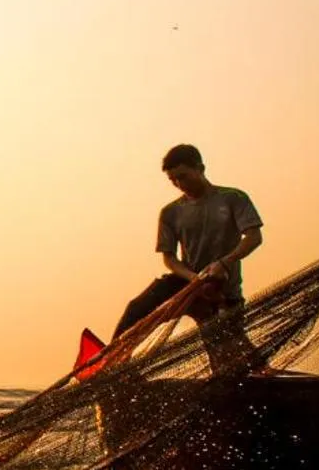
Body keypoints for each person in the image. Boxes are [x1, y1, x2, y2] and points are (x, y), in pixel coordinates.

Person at [112, 144, 264, 371]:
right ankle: (113, 364)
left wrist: (223, 263)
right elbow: (170, 259)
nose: (179, 184)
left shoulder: (232, 198)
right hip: (187, 282)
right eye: (173, 180)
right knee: (137, 308)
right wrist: (194, 279)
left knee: (227, 360)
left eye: (183, 177)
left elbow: (253, 237)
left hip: (221, 289)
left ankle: (258, 376)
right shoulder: (171, 212)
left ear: (200, 168)